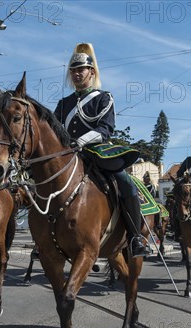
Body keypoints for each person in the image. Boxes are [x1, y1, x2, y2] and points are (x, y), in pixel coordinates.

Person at [53, 43, 146, 257]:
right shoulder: (63, 103)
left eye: (81, 70)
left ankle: (134, 238)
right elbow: (55, 131)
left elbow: (105, 128)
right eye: (73, 70)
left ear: (91, 72)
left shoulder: (104, 97)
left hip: (96, 152)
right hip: (70, 155)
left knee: (126, 183)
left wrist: (81, 141)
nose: (77, 74)